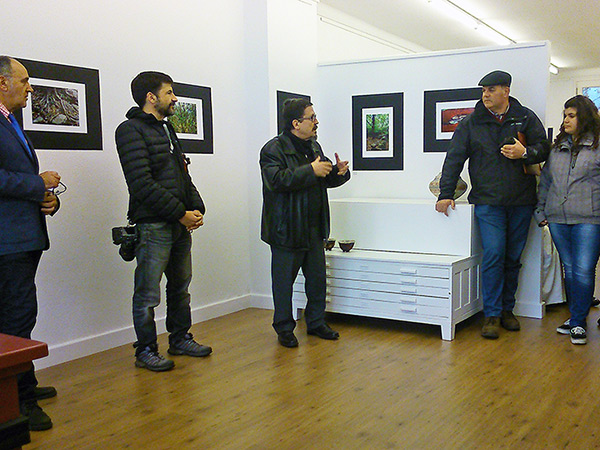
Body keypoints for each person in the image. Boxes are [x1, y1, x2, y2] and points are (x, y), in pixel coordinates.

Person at [435, 70, 550, 339]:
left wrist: (526, 153)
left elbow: (543, 148)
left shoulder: (525, 117)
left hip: (522, 201)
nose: (485, 94)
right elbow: (454, 159)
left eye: (491, 89)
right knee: (495, 255)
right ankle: (492, 314)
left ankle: (508, 310)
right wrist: (445, 193)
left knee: (513, 258)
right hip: (488, 203)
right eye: (483, 90)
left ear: (506, 91)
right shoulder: (471, 123)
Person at [115, 71, 211, 371]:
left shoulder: (167, 129)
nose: (175, 98)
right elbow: (141, 184)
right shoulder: (129, 130)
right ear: (151, 97)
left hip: (178, 224)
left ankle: (180, 338)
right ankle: (145, 350)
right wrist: (180, 213)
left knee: (180, 287)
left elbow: (183, 174)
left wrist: (196, 208)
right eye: (169, 92)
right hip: (153, 225)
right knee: (147, 293)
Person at [0, 56, 61, 431]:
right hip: (8, 242)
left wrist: (49, 199)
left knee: (18, 316)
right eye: (24, 80)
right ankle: (18, 402)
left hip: (22, 237)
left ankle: (25, 383)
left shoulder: (11, 122)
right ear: (2, 82)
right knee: (16, 318)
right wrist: (39, 184)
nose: (30, 87)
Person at [260, 98, 350, 348]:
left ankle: (316, 322)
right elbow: (276, 181)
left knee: (317, 280)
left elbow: (320, 180)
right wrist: (311, 170)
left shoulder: (314, 145)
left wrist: (337, 174)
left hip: (313, 226)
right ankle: (284, 328)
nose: (316, 121)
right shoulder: (272, 150)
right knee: (283, 284)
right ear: (296, 123)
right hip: (286, 229)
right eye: (312, 117)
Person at [534, 95, 600, 345]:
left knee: (583, 270)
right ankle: (576, 319)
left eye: (571, 115)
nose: (565, 120)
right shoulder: (557, 147)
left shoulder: (597, 146)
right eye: (564, 115)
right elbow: (546, 182)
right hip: (558, 218)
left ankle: (579, 321)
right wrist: (540, 212)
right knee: (570, 270)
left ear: (584, 117)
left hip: (590, 219)